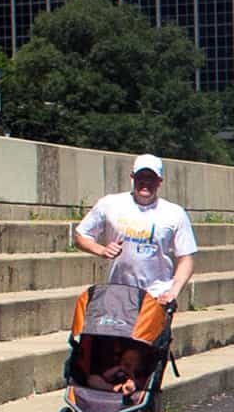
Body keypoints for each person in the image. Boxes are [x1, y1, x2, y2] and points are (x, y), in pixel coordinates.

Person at [73, 154, 200, 391]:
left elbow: (186, 258)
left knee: (143, 354)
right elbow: (81, 235)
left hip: (154, 298)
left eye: (151, 179)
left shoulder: (174, 214)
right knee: (109, 352)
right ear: (132, 178)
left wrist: (174, 291)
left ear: (159, 182)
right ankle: (109, 393)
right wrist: (100, 249)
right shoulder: (111, 204)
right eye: (141, 178)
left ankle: (138, 398)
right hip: (117, 296)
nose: (146, 184)